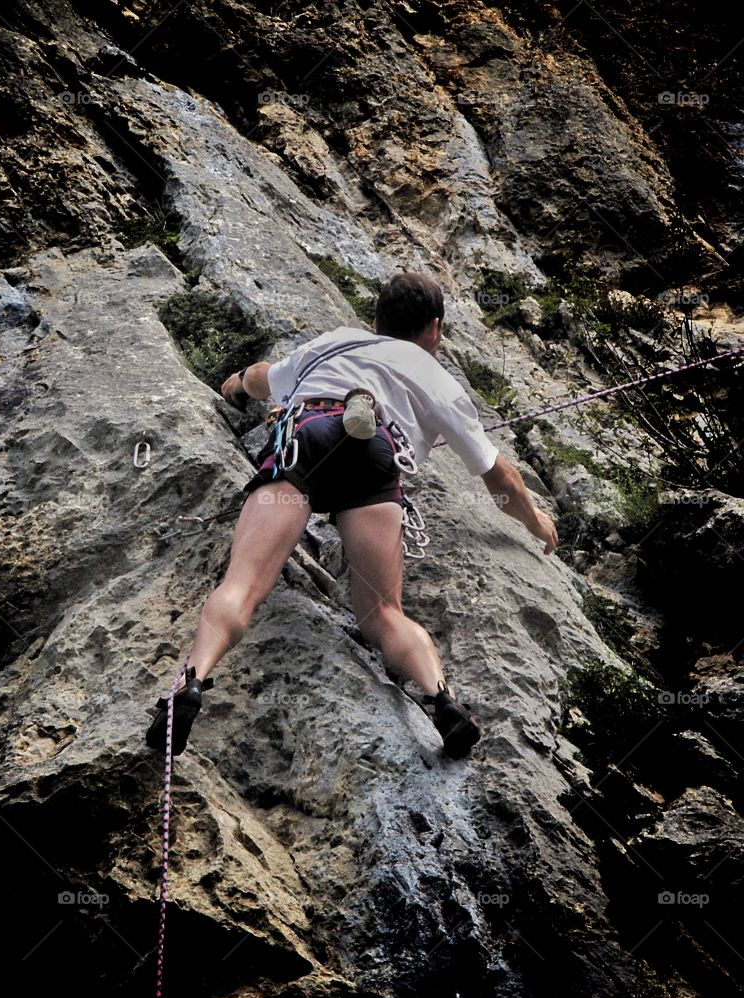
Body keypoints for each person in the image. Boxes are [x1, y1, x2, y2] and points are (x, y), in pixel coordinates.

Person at [145, 272, 558, 759]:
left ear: (375, 320)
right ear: (435, 330)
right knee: (384, 614)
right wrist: (535, 521)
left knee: (243, 586)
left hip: (308, 437)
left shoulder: (339, 341)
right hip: (376, 463)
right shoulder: (437, 380)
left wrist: (235, 385)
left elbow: (264, 378)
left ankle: (191, 684)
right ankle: (442, 699)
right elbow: (498, 477)